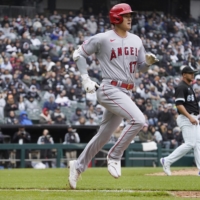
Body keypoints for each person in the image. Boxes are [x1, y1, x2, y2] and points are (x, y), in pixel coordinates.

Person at [68, 3, 158, 189]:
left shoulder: (137, 40)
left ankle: (77, 166)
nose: (130, 18)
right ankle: (115, 156)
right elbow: (78, 53)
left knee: (103, 136)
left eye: (130, 15)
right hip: (109, 88)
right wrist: (85, 79)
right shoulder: (102, 38)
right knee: (138, 120)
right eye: (126, 15)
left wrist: (147, 63)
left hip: (126, 91)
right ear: (116, 18)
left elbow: (140, 67)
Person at [160, 66, 200, 176]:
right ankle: (167, 160)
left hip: (193, 117)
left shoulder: (188, 86)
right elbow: (179, 105)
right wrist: (190, 117)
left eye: (193, 73)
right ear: (184, 75)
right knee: (190, 143)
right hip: (186, 117)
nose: (192, 75)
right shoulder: (181, 87)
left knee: (197, 143)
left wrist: (196, 116)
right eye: (190, 73)